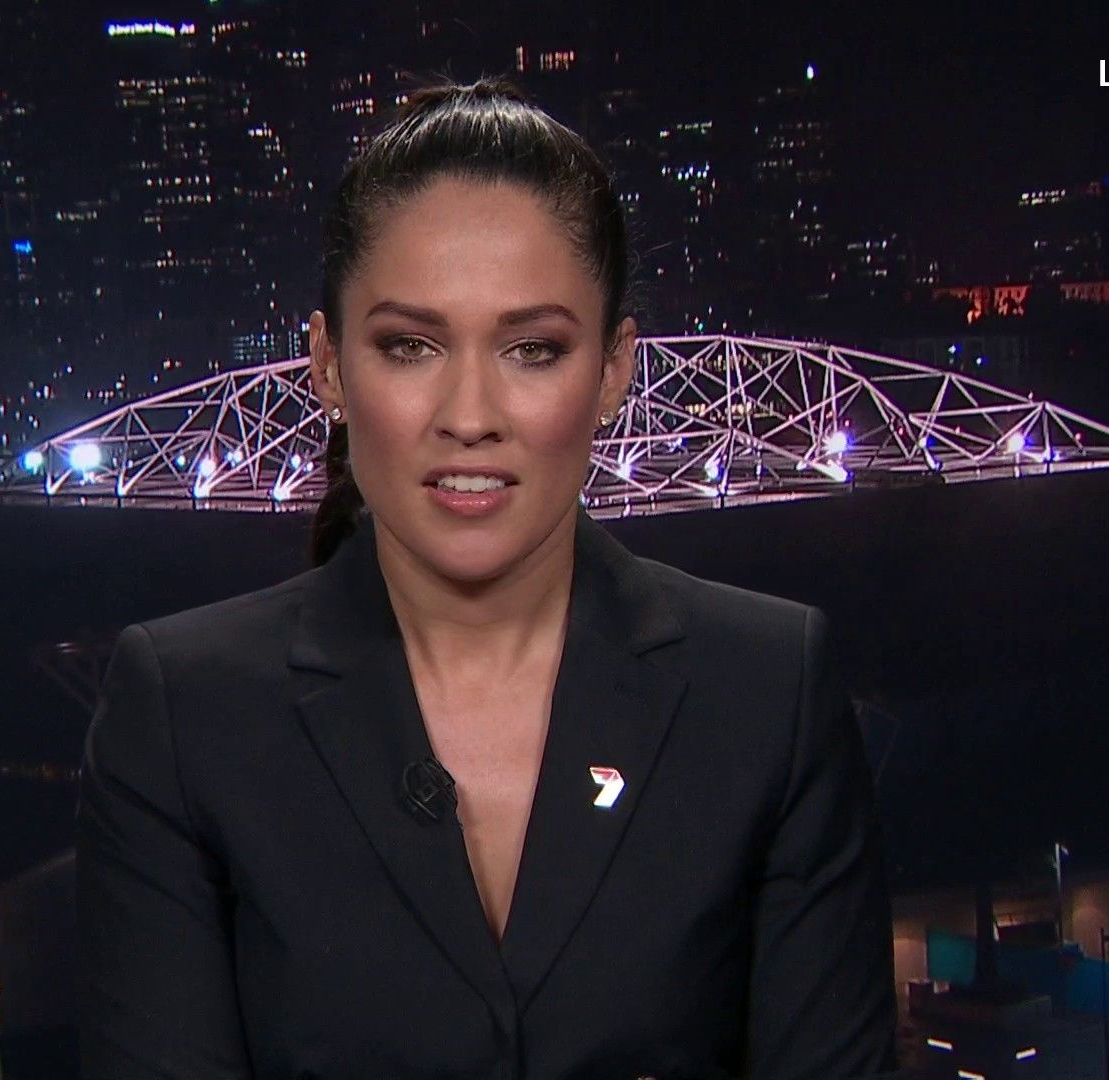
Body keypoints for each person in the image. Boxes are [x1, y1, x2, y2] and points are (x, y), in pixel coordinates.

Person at [77, 74, 897, 1079]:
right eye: (410, 346)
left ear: (613, 370)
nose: (470, 415)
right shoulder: (181, 713)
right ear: (328, 366)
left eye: (533, 349)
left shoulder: (770, 692)